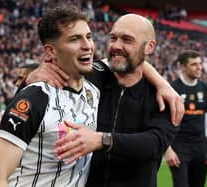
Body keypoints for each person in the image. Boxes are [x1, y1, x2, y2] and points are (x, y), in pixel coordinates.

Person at [28, 13, 182, 187]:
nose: (116, 46)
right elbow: (42, 86)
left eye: (127, 40)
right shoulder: (92, 78)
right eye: (113, 38)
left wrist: (102, 140)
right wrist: (34, 76)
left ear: (149, 47)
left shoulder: (164, 98)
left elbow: (154, 145)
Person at [0, 5, 100, 187]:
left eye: (89, 37)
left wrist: (161, 83)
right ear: (51, 51)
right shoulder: (35, 97)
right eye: (75, 39)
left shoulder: (95, 90)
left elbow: (132, 59)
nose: (87, 46)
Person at [165, 50, 207, 187]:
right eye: (194, 64)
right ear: (183, 66)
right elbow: (163, 122)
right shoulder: (171, 89)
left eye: (200, 63)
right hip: (179, 147)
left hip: (201, 146)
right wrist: (168, 150)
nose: (199, 67)